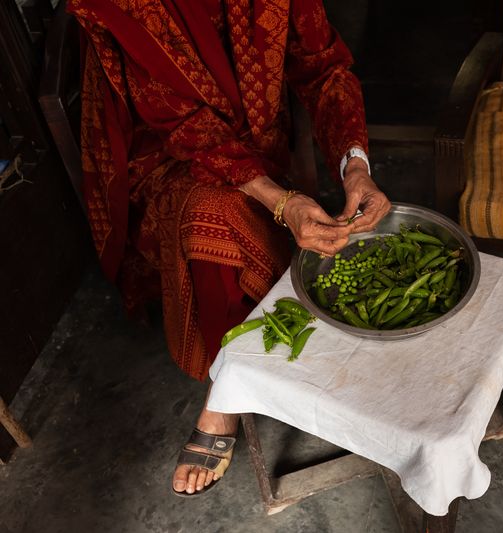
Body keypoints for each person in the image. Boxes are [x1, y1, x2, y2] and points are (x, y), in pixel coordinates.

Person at [67, 0, 391, 496]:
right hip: (164, 149)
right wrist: (281, 202)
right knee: (212, 214)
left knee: (264, 225)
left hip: (257, 136)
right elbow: (181, 124)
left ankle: (263, 356)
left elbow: (322, 65)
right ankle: (226, 397)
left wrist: (356, 166)